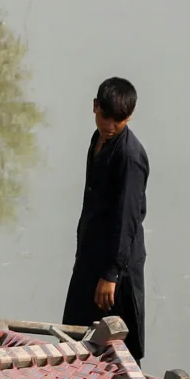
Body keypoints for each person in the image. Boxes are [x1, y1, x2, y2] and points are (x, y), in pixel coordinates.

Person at [64, 76, 148, 359]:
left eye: (119, 121)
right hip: (91, 255)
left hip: (116, 267)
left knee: (119, 347)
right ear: (95, 106)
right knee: (75, 333)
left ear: (130, 117)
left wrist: (111, 274)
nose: (110, 126)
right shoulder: (99, 139)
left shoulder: (129, 157)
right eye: (105, 117)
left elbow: (128, 219)